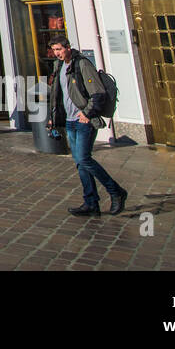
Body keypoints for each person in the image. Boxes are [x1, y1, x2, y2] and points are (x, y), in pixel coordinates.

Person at [46, 36, 127, 216]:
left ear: (68, 47)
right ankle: (91, 202)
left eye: (59, 49)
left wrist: (87, 113)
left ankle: (116, 191)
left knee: (84, 159)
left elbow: (98, 93)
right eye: (54, 50)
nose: (57, 53)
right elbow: (57, 94)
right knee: (80, 164)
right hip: (69, 121)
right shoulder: (58, 66)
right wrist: (53, 117)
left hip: (84, 121)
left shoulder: (82, 64)